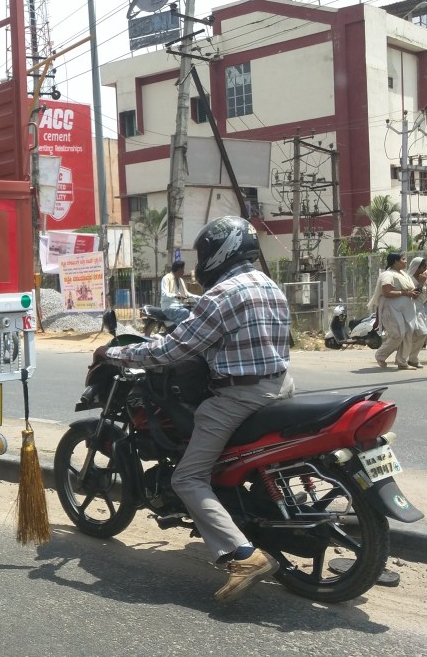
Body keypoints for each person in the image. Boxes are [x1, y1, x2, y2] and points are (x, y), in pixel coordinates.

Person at [100, 216, 292, 602]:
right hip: (281, 386)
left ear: (220, 252)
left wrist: (115, 353)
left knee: (187, 478)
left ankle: (243, 555)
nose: (201, 261)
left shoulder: (222, 296)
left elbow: (170, 351)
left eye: (204, 253)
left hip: (239, 397)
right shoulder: (268, 285)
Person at [369, 252, 421, 370]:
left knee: (408, 334)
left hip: (406, 312)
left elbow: (414, 293)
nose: (405, 261)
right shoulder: (387, 275)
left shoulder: (404, 275)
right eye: (403, 259)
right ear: (396, 261)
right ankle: (380, 355)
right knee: (398, 334)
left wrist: (422, 282)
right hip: (391, 310)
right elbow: (387, 292)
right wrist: (405, 293)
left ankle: (402, 362)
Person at [405, 257, 427, 367]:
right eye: (423, 267)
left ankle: (411, 358)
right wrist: (420, 283)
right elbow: (414, 296)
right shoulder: (408, 279)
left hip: (420, 309)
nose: (424, 269)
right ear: (417, 268)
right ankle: (410, 358)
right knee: (422, 333)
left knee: (419, 334)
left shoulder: (424, 278)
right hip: (411, 308)